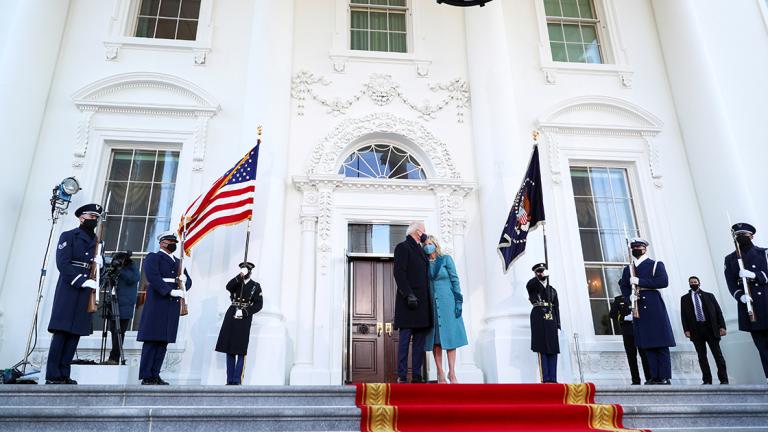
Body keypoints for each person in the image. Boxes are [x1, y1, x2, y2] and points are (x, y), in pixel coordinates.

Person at [45, 203, 103, 384]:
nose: (94, 220)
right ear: (81, 217)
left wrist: (102, 263)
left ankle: (64, 373)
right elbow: (63, 263)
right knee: (62, 331)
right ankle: (53, 375)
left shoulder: (98, 242)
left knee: (75, 333)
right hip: (69, 288)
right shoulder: (69, 236)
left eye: (96, 218)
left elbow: (101, 271)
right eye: (91, 217)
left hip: (87, 290)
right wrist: (81, 280)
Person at [137, 231, 191, 385]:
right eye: (169, 241)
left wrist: (184, 282)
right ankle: (146, 375)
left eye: (174, 241)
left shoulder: (178, 261)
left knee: (163, 342)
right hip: (157, 303)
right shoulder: (154, 257)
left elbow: (188, 281)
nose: (172, 244)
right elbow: (153, 277)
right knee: (152, 341)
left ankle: (155, 374)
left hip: (171, 306)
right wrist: (169, 290)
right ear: (162, 243)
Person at [618, 238, 675, 385]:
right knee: (647, 343)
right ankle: (652, 376)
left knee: (660, 342)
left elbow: (663, 281)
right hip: (637, 305)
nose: (637, 249)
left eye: (639, 246)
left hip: (653, 304)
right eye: (634, 247)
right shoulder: (628, 269)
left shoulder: (655, 264)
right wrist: (628, 295)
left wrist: (640, 281)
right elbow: (623, 285)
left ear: (645, 248)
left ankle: (664, 376)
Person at [724, 222, 768, 383]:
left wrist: (755, 275)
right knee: (761, 346)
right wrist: (740, 295)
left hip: (765, 301)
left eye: (744, 235)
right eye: (738, 236)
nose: (741, 238)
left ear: (752, 236)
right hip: (750, 306)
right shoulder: (730, 259)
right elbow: (730, 282)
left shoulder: (764, 253)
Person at [422, 235, 468, 384]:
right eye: (425, 244)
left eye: (430, 243)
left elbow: (455, 280)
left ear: (435, 244)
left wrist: (458, 301)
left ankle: (452, 373)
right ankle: (440, 372)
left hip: (448, 303)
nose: (428, 246)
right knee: (436, 341)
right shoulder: (424, 263)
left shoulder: (446, 259)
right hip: (432, 305)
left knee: (451, 338)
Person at [393, 221, 432, 383]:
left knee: (419, 342)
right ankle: (401, 374)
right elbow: (399, 273)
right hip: (408, 302)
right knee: (404, 340)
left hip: (422, 304)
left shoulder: (422, 251)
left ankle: (417, 374)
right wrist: (408, 294)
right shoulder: (403, 247)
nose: (425, 234)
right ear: (417, 232)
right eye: (424, 231)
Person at [215, 262, 263, 385]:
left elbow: (259, 305)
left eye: (246, 270)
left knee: (240, 349)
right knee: (229, 347)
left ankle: (237, 380)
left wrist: (245, 312)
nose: (244, 272)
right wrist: (240, 275)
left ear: (250, 272)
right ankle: (229, 379)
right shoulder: (237, 282)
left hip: (244, 317)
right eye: (242, 270)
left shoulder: (255, 286)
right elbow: (228, 286)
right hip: (232, 314)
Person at [680, 276, 729, 384]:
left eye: (695, 282)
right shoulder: (684, 299)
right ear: (689, 284)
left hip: (711, 329)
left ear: (699, 283)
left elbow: (718, 312)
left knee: (718, 355)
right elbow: (683, 316)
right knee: (702, 357)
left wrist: (722, 326)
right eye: (691, 282)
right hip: (696, 330)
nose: (693, 283)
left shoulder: (709, 296)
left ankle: (724, 379)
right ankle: (707, 380)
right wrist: (686, 330)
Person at [526, 262, 560, 383]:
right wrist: (538, 277)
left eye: (543, 271)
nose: (541, 273)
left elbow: (556, 307)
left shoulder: (552, 290)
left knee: (553, 348)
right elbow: (531, 285)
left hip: (551, 317)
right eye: (539, 271)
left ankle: (553, 378)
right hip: (539, 315)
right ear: (535, 273)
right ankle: (545, 378)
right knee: (542, 347)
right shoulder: (533, 285)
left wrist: (558, 324)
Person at [106, 251, 140, 365]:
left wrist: (120, 270)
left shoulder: (132, 267)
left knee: (119, 332)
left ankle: (115, 357)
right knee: (113, 330)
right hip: (113, 303)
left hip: (125, 305)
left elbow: (134, 278)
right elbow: (105, 279)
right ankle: (113, 356)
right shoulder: (115, 269)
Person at [609, 294, 651, 385]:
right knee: (631, 357)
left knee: (645, 356)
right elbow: (612, 314)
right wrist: (624, 318)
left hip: (640, 331)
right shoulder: (619, 299)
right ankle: (635, 380)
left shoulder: (638, 297)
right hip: (628, 332)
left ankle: (649, 378)